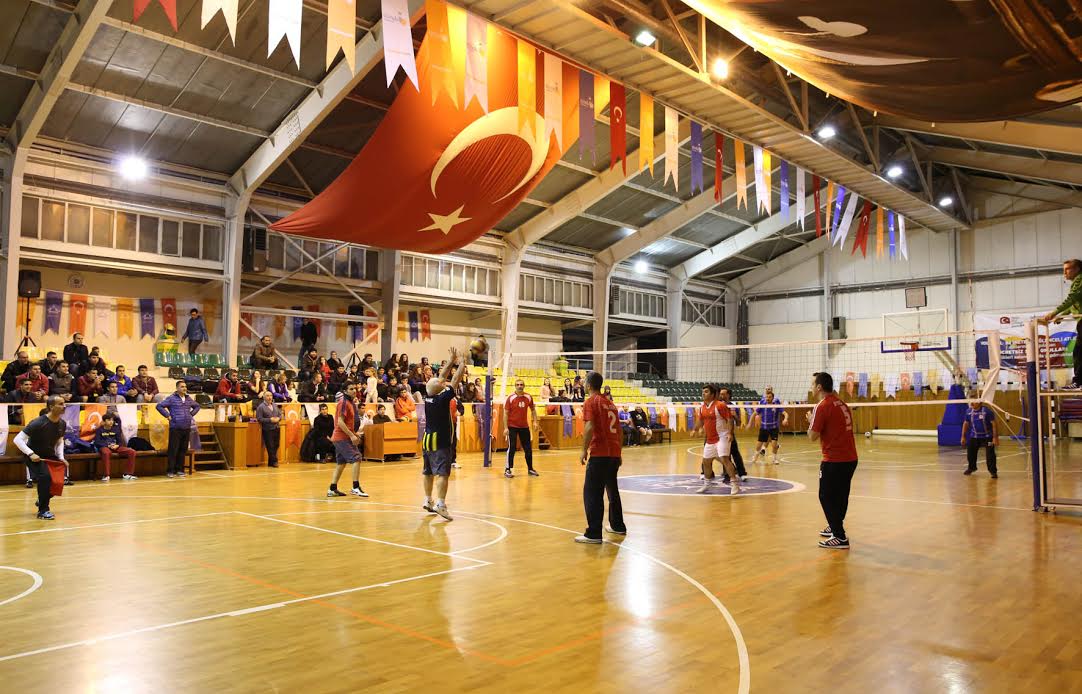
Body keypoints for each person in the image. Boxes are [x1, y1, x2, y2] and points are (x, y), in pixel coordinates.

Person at [807, 372, 859, 550]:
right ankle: (835, 524)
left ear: (819, 387)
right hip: (850, 458)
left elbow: (812, 436)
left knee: (826, 496)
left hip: (834, 460)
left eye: (812, 384)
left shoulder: (822, 406)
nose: (811, 387)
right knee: (840, 496)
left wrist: (811, 421)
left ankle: (839, 535)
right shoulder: (841, 403)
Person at [575, 371, 626, 544]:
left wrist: (584, 450)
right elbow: (619, 431)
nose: (583, 385)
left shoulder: (591, 402)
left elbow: (589, 427)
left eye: (584, 382)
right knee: (612, 490)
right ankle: (618, 526)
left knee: (592, 493)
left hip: (600, 453)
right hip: (613, 454)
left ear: (589, 385)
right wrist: (619, 453)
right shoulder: (610, 403)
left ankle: (594, 533)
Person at [420, 347, 467, 520]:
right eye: (441, 383)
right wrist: (462, 363)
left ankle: (427, 500)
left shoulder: (428, 396)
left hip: (427, 439)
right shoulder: (442, 399)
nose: (443, 382)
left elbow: (441, 378)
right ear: (439, 388)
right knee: (443, 473)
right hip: (440, 440)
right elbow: (455, 380)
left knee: (427, 472)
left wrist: (451, 359)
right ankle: (440, 504)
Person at [13, 395, 68, 520]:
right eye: (60, 404)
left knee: (58, 482)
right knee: (46, 477)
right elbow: (18, 439)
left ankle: (43, 498)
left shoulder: (62, 424)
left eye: (64, 403)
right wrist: (31, 454)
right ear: (51, 407)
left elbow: (60, 441)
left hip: (49, 456)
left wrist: (61, 457)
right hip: (33, 456)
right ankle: (43, 511)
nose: (64, 406)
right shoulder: (38, 423)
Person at [1043, 258, 1082, 390]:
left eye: (1067, 269)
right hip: (1080, 321)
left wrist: (1054, 313)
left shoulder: (1079, 279)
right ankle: (1078, 381)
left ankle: (1078, 381)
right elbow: (1074, 304)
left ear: (1077, 269)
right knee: (1078, 352)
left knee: (1079, 352)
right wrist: (1062, 315)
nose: (1064, 273)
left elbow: (1072, 299)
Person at [693, 384, 739, 494]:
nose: (703, 393)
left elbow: (729, 419)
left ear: (713, 394)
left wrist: (730, 433)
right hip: (710, 439)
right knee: (706, 461)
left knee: (724, 458)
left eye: (706, 391)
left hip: (722, 437)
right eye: (703, 391)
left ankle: (734, 484)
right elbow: (701, 420)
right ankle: (707, 484)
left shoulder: (720, 405)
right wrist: (695, 429)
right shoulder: (703, 407)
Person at [327, 383, 368, 498]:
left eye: (355, 388)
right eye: (351, 389)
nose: (354, 390)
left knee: (341, 463)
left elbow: (349, 423)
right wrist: (351, 435)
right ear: (345, 391)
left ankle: (332, 489)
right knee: (357, 458)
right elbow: (340, 422)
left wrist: (354, 434)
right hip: (341, 437)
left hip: (344, 437)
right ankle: (355, 487)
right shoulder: (343, 402)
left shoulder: (351, 403)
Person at [157, 381, 200, 478]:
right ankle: (170, 471)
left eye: (185, 387)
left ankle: (180, 470)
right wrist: (167, 415)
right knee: (173, 450)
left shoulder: (188, 398)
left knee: (183, 450)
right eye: (182, 387)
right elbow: (159, 406)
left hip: (186, 427)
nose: (184, 388)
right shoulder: (171, 398)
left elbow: (197, 406)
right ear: (177, 388)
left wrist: (190, 415)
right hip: (175, 427)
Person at [504, 378, 539, 478]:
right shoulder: (511, 398)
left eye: (521, 384)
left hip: (524, 426)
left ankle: (530, 469)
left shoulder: (528, 397)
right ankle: (508, 469)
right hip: (512, 427)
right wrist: (505, 428)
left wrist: (535, 421)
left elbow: (533, 410)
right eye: (518, 385)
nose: (519, 386)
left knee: (528, 448)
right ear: (515, 386)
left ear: (524, 386)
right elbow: (505, 413)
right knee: (512, 447)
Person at [961, 395, 998, 478]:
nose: (972, 403)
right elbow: (966, 423)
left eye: (974, 401)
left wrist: (995, 438)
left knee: (990, 454)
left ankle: (993, 472)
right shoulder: (968, 411)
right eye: (971, 401)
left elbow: (994, 424)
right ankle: (971, 468)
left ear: (980, 402)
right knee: (970, 453)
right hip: (974, 437)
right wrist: (963, 436)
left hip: (988, 437)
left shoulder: (987, 411)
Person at [94, 412, 137, 481]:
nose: (111, 422)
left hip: (115, 447)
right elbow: (97, 442)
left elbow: (120, 441)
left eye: (112, 420)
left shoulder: (116, 429)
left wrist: (117, 445)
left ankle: (128, 474)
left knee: (132, 452)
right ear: (104, 421)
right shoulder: (99, 430)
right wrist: (108, 445)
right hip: (105, 447)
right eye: (109, 420)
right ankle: (106, 475)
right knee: (106, 453)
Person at [718, 388, 749, 484]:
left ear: (728, 395)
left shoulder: (733, 407)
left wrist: (735, 415)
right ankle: (727, 474)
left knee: (735, 454)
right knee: (724, 455)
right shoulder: (718, 405)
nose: (721, 396)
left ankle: (742, 473)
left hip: (729, 433)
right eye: (720, 394)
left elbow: (739, 423)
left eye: (724, 394)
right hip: (719, 434)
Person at [751, 387, 788, 465]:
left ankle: (774, 459)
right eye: (767, 397)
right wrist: (750, 423)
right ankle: (755, 457)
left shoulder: (776, 403)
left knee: (774, 444)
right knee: (758, 445)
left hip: (774, 428)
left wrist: (785, 419)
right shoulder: (763, 403)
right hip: (764, 427)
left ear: (772, 398)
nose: (768, 398)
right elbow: (755, 413)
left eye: (769, 397)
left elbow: (785, 413)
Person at [255, 390, 282, 468]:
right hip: (267, 429)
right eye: (267, 396)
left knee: (276, 445)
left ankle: (271, 462)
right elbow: (259, 419)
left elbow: (280, 415)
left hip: (276, 428)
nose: (270, 397)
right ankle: (275, 461)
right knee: (270, 446)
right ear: (264, 397)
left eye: (271, 396)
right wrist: (270, 420)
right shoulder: (261, 407)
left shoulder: (275, 405)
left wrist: (278, 418)